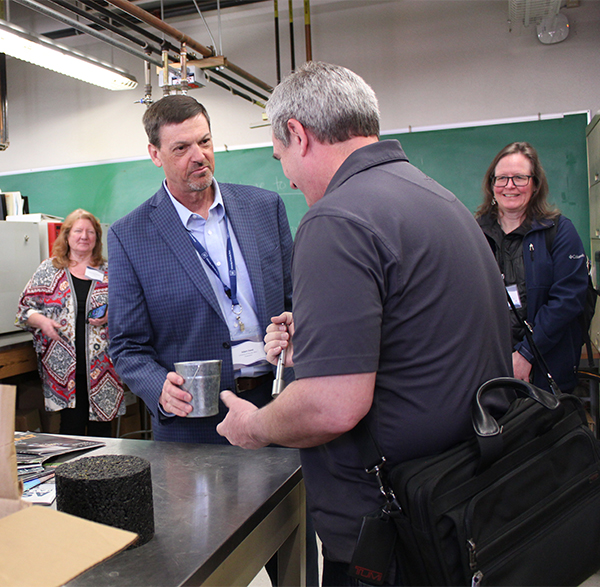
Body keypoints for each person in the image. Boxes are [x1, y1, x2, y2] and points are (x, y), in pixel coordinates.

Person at [216, 61, 513, 587]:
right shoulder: (437, 198)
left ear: (299, 136)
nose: (286, 174)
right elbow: (419, 337)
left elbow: (333, 405)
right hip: (462, 500)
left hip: (393, 531)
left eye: (280, 155)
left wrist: (255, 425)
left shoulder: (336, 219)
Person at [107, 94, 293, 444]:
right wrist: (158, 387)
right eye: (181, 149)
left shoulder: (264, 208)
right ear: (154, 154)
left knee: (287, 500)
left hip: (276, 404)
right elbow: (127, 345)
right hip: (194, 421)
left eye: (204, 142)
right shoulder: (129, 236)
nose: (199, 157)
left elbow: (297, 299)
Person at [476, 142, 589, 393]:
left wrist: (526, 354)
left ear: (535, 184)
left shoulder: (559, 231)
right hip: (489, 368)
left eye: (519, 178)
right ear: (491, 185)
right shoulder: (473, 233)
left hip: (547, 367)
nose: (510, 186)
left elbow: (567, 301)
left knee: (544, 430)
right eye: (502, 178)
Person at [15, 209, 124, 437]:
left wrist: (111, 314)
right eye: (78, 231)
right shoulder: (49, 269)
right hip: (64, 369)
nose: (84, 236)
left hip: (104, 367)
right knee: (70, 430)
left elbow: (130, 309)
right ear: (67, 236)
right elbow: (24, 310)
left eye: (90, 231)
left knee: (103, 431)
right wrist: (43, 321)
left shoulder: (109, 272)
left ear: (97, 237)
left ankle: (104, 473)